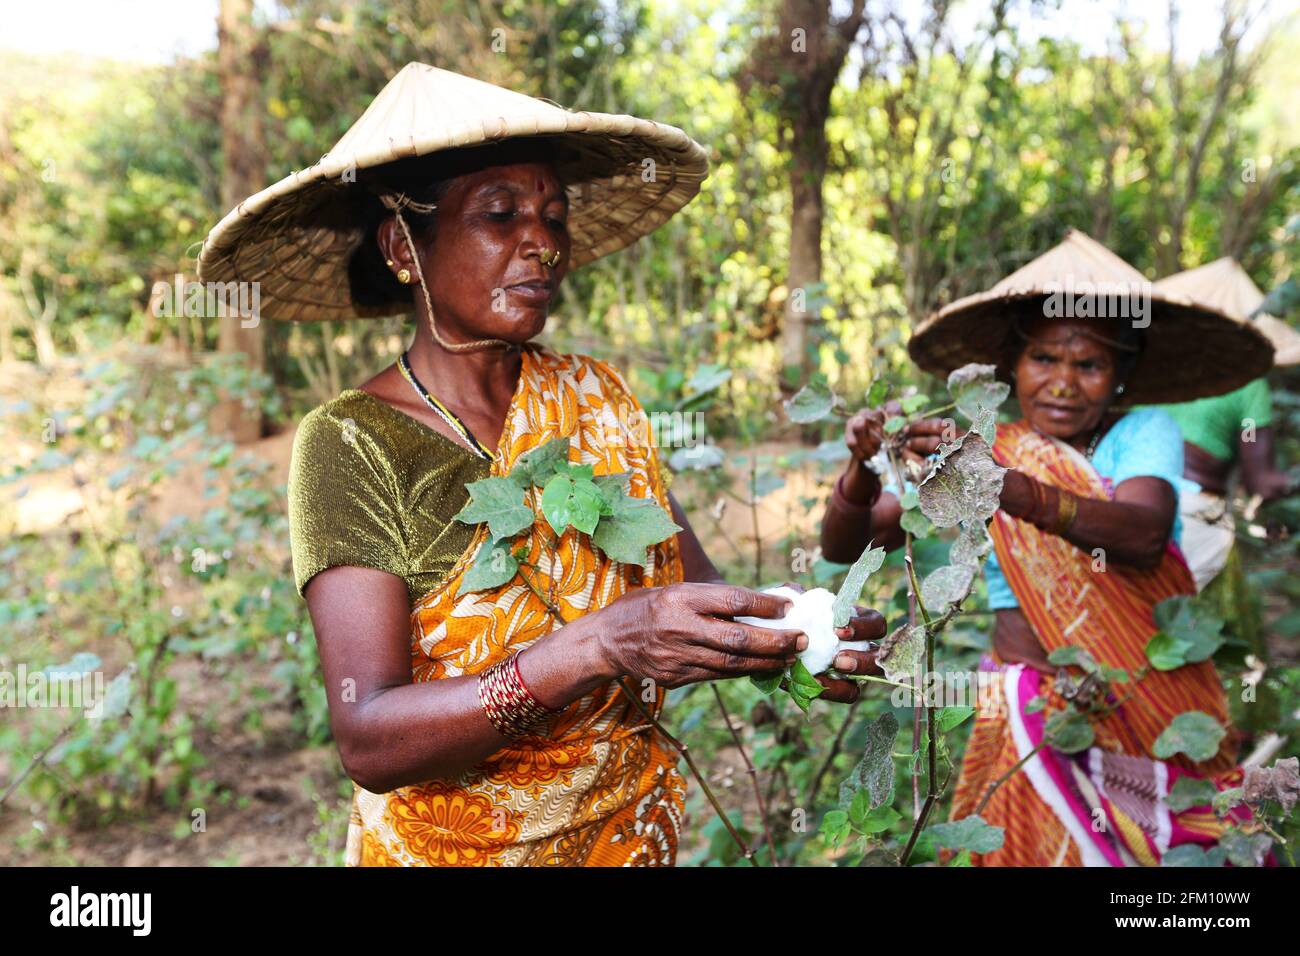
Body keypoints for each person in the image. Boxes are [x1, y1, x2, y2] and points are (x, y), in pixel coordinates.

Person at [197, 63, 884, 867]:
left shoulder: (597, 397)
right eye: (500, 213)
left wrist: (796, 631)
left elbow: (683, 596)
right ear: (402, 246)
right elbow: (370, 738)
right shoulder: (353, 442)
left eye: (553, 215)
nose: (544, 243)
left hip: (631, 838)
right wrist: (593, 650)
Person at [820, 230, 1275, 866]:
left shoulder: (1143, 433)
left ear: (1121, 375)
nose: (1063, 383)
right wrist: (859, 466)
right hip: (1027, 705)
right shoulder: (984, 448)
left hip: (1140, 694)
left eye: (1088, 365)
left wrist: (1001, 483)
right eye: (1044, 361)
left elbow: (1142, 534)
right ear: (1012, 367)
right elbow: (850, 541)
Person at [1147, 257, 1299, 591]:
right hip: (1191, 514)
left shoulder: (1150, 366)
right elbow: (1261, 481)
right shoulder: (1246, 384)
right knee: (1159, 618)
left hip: (1118, 494)